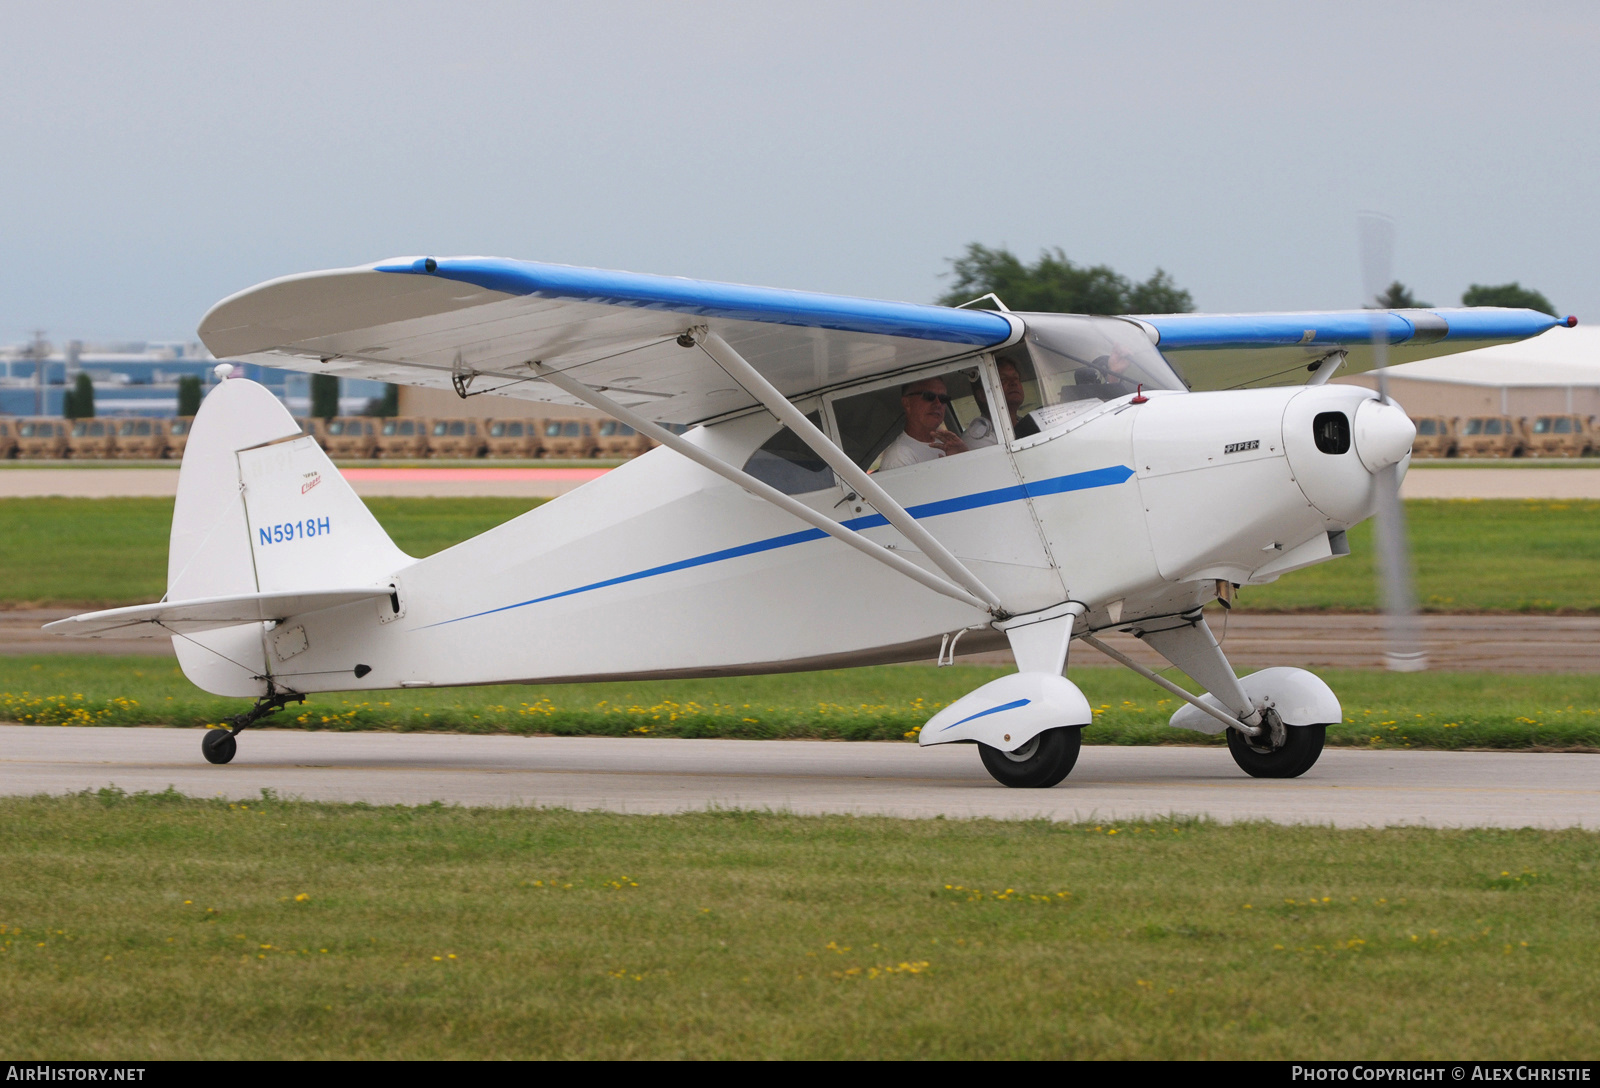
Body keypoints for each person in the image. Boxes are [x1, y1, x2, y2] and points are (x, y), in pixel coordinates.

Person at [878, 376, 968, 470]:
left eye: (943, 398)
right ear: (907, 403)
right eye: (929, 396)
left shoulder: (948, 445)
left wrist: (964, 457)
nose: (938, 404)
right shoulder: (899, 457)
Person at [965, 358, 1036, 446]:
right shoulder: (977, 437)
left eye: (1016, 378)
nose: (1014, 383)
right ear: (983, 395)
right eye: (1003, 380)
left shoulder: (1027, 423)